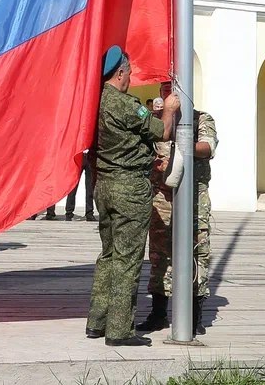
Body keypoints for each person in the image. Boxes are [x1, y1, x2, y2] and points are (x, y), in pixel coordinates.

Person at [86, 45, 178, 348]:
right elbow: (162, 131)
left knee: (108, 255)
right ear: (121, 72)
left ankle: (97, 322)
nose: (130, 78)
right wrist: (169, 109)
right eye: (129, 73)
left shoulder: (94, 102)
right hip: (129, 189)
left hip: (105, 186)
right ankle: (119, 329)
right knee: (127, 259)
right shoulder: (126, 104)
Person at [137, 95, 219, 335]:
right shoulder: (158, 121)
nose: (168, 93)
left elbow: (208, 147)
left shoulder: (200, 119)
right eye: (165, 88)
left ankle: (195, 315)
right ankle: (159, 313)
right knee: (160, 255)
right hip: (163, 197)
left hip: (194, 196)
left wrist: (183, 150)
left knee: (197, 252)